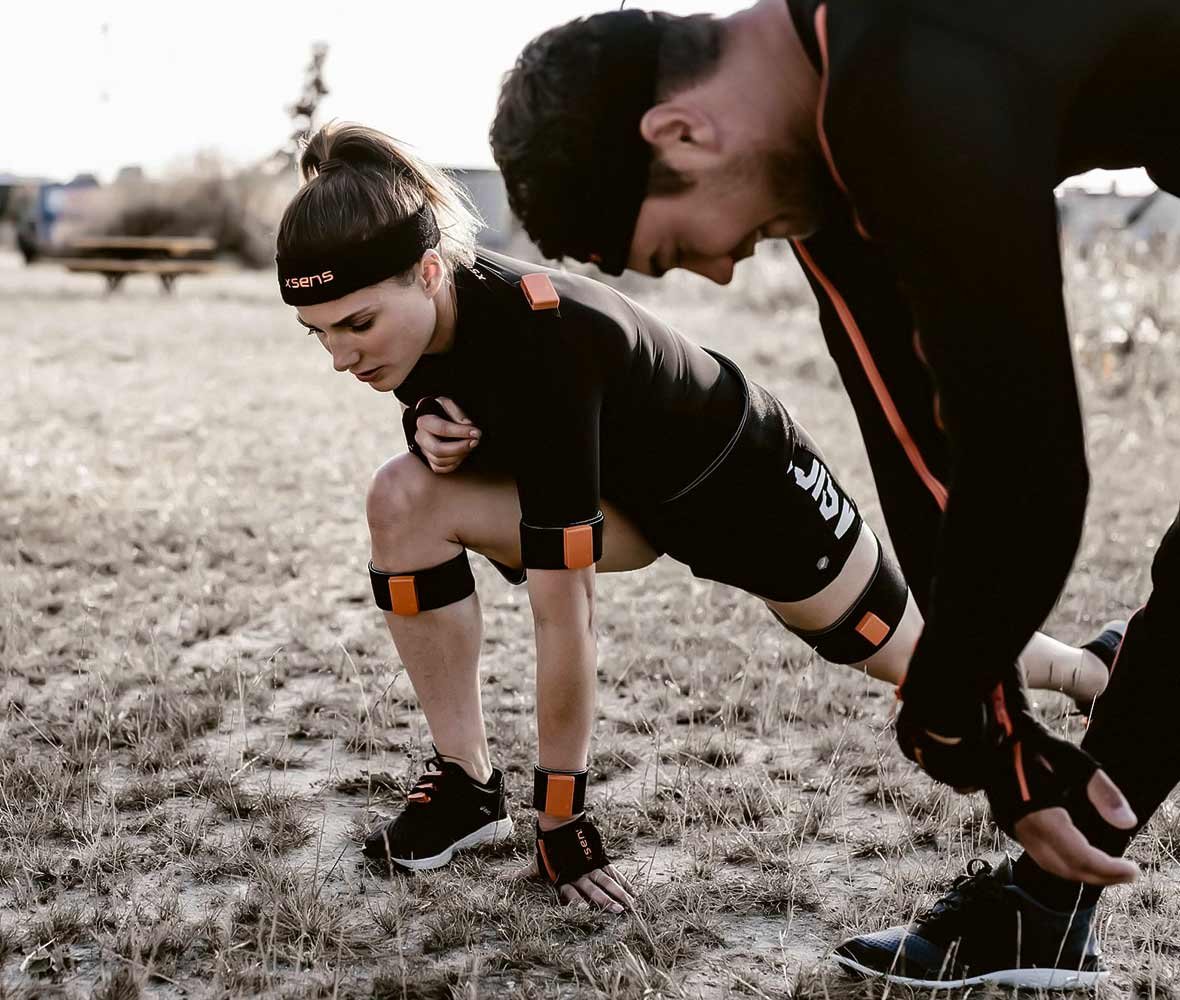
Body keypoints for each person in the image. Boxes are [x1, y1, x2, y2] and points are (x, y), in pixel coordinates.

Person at [488, 1, 1179, 986]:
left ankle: (1045, 895)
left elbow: (1024, 476)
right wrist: (999, 743)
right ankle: (1044, 900)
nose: (723, 272)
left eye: (679, 246)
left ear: (680, 131)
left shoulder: (900, 66)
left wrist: (950, 715)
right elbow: (921, 451)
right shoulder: (829, 143)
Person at [274, 122, 1119, 919]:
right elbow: (461, 404)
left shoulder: (546, 340)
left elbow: (565, 615)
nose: (343, 355)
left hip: (744, 485)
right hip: (627, 501)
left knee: (909, 654)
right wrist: (424, 428)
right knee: (402, 495)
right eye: (320, 335)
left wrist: (563, 819)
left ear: (429, 272)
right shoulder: (420, 333)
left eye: (357, 324)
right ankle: (465, 784)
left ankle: (1084, 670)